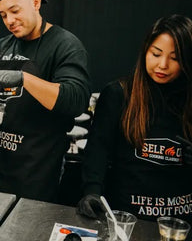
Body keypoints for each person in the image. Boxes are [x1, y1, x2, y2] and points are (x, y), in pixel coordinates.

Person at [0, 0, 91, 202]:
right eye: (3, 15)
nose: (9, 20)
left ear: (36, 3)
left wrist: (24, 78)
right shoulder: (0, 47)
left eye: (15, 10)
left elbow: (76, 99)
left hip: (38, 168)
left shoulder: (64, 44)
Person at [77, 14, 192, 225]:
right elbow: (97, 151)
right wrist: (91, 191)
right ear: (145, 51)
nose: (163, 65)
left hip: (180, 222)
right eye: (156, 54)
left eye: (174, 58)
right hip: (127, 218)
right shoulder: (119, 94)